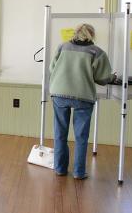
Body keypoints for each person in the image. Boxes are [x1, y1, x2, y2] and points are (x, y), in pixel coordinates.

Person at [47, 23, 114, 179]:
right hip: (83, 96)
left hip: (59, 93)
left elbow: (52, 69)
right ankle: (78, 172)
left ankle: (60, 169)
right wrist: (112, 77)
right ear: (92, 35)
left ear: (75, 33)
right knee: (81, 137)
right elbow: (102, 78)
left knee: (60, 133)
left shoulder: (62, 47)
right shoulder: (97, 52)